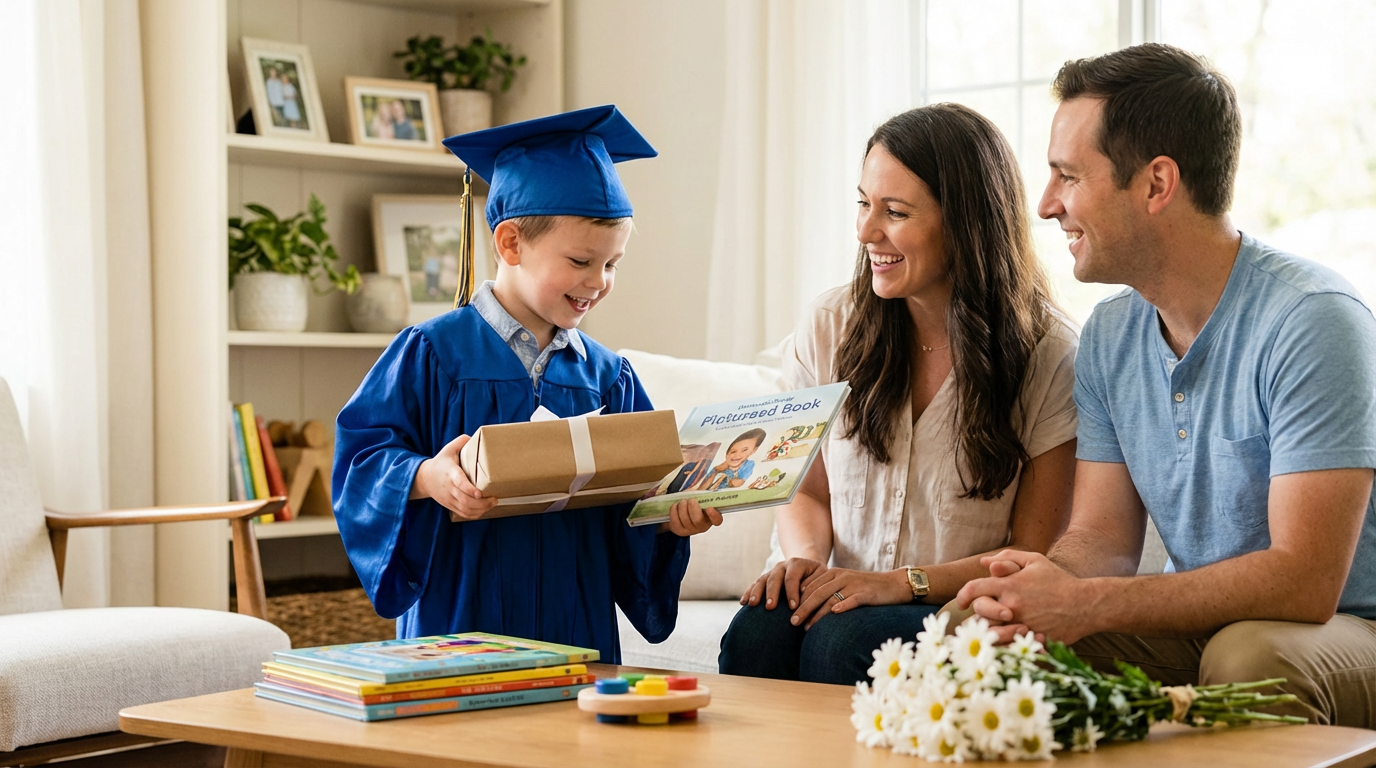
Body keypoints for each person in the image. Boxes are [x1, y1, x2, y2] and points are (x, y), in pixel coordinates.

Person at [957, 43, 1376, 728]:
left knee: (1250, 660)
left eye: (1067, 176)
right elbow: (1102, 540)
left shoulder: (1313, 319)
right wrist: (1041, 587)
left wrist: (1089, 605)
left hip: (1347, 629)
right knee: (973, 633)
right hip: (1209, 629)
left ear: (1156, 185)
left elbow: (1305, 580)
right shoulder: (1109, 336)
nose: (1044, 205)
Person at [332, 105, 722, 662]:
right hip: (460, 612)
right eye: (582, 260)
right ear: (510, 243)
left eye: (613, 264)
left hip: (575, 617)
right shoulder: (433, 353)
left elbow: (635, 501)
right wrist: (427, 476)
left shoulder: (607, 378)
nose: (599, 283)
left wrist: (670, 523)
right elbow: (360, 459)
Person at [715, 103, 1080, 685]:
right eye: (863, 203)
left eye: (895, 212)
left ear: (965, 222)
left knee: (845, 644)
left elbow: (1028, 557)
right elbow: (804, 490)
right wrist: (804, 561)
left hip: (956, 605)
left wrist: (898, 584)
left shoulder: (1049, 353)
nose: (865, 231)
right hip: (841, 589)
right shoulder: (831, 324)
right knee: (756, 635)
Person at [693, 428, 766, 491]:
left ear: (754, 450)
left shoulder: (748, 464)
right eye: (733, 452)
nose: (737, 455)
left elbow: (738, 483)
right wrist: (716, 471)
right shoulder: (718, 468)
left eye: (744, 450)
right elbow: (701, 489)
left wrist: (729, 479)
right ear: (727, 454)